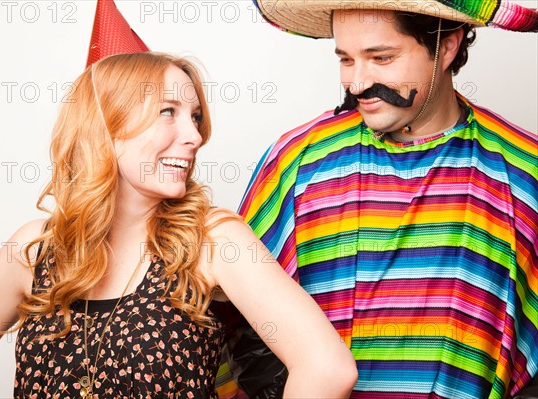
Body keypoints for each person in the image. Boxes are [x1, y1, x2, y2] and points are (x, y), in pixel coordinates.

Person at [0, 51, 358, 398]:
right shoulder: (33, 250)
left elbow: (326, 367)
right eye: (168, 112)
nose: (194, 136)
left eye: (194, 117)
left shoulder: (212, 241)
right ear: (108, 127)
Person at [223, 0, 538, 398]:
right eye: (346, 59)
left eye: (381, 57)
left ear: (447, 46)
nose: (356, 83)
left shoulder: (524, 170)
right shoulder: (296, 162)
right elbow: (242, 326)